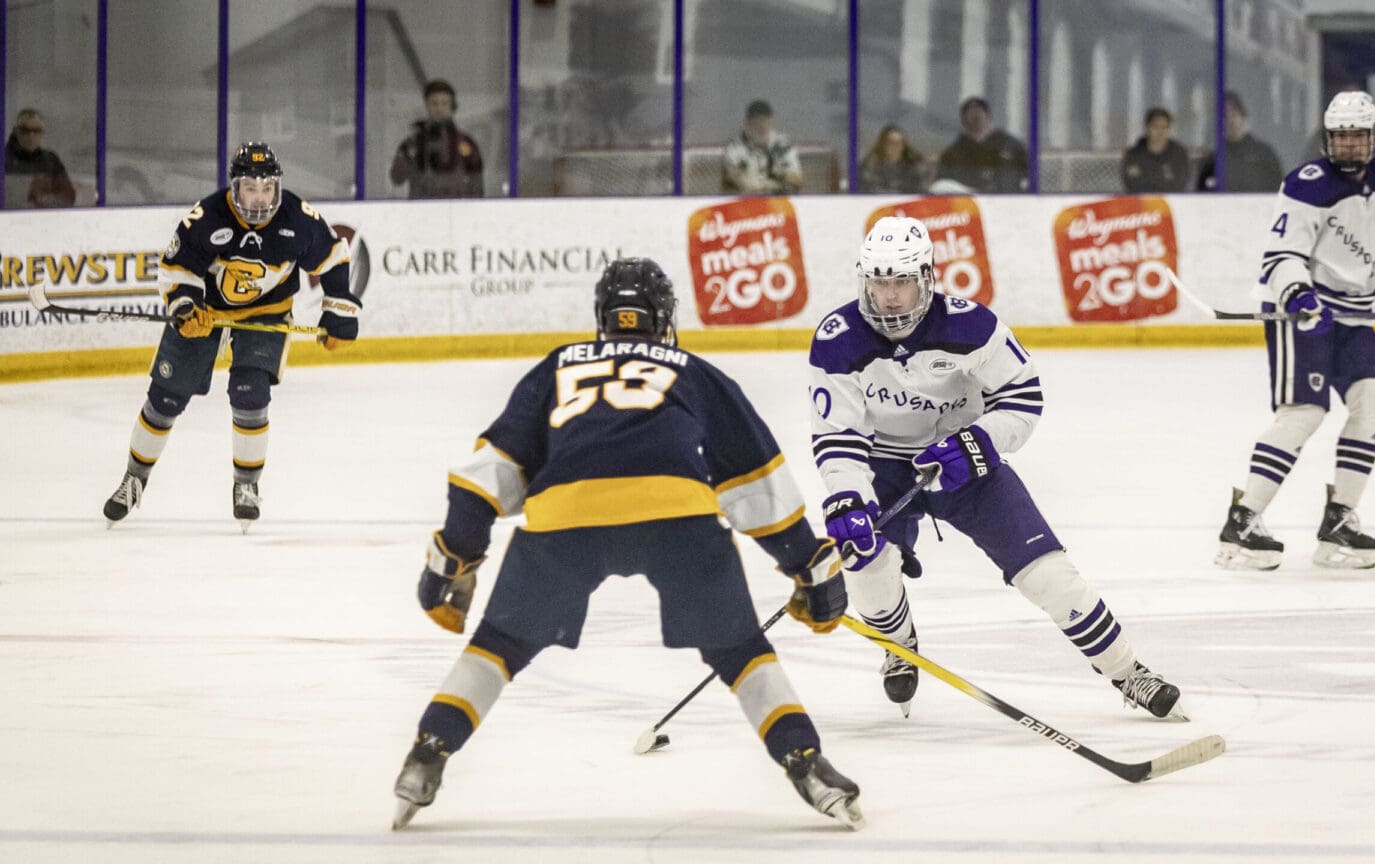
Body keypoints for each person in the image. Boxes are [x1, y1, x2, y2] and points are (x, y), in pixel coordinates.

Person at [391, 258, 861, 831]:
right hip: (677, 516)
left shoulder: (559, 365)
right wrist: (808, 566)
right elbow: (757, 485)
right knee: (740, 651)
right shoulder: (694, 372)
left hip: (567, 516)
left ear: (603, 316)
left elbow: (487, 476)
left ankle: (428, 750)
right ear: (663, 319)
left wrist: (453, 557)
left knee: (500, 645)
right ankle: (805, 761)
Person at [807, 216, 1186, 721]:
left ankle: (1127, 671)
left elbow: (1023, 398)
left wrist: (978, 442)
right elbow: (838, 436)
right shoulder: (837, 338)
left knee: (1049, 574)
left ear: (926, 278)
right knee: (866, 568)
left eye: (902, 281)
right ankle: (899, 647)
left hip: (964, 463)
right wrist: (848, 497)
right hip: (883, 466)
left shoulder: (972, 326)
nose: (890, 297)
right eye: (879, 282)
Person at [1216, 91, 1375, 571]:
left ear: (1373, 137)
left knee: (1374, 397)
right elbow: (1281, 256)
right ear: (1327, 138)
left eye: (1358, 136)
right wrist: (1299, 295)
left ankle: (1339, 519)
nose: (1349, 145)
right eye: (1341, 136)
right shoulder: (1307, 185)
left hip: (1353, 316)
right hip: (1304, 313)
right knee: (1304, 413)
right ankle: (1243, 521)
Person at [100, 142, 360, 530]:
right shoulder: (207, 217)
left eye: (267, 188)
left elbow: (334, 258)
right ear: (235, 187)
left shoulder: (297, 217)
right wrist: (186, 308)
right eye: (251, 188)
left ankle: (247, 485)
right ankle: (134, 478)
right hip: (208, 311)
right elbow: (177, 268)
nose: (260, 197)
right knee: (165, 398)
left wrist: (339, 310)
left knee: (250, 391)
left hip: (266, 313)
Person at [388, 79, 485, 199]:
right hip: (421, 208)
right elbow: (396, 178)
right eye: (434, 103)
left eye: (444, 103)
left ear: (452, 106)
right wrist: (410, 153)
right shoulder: (412, 143)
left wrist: (470, 207)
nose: (439, 109)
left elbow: (477, 185)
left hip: (457, 208)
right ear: (426, 106)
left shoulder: (466, 143)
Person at [933, 96, 1028, 193]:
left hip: (1008, 199)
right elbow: (942, 186)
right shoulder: (953, 153)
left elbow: (1029, 176)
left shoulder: (1010, 145)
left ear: (988, 115)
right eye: (971, 113)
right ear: (963, 120)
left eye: (979, 112)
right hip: (967, 200)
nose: (976, 116)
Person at [1197, 92, 1283, 192]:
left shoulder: (1263, 154)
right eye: (1224, 116)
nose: (1230, 121)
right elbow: (1202, 192)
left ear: (1243, 116)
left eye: (1233, 114)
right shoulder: (1214, 158)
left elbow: (1279, 188)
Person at [722, 99, 803, 195]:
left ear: (771, 121)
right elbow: (730, 186)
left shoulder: (784, 145)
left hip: (778, 200)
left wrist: (768, 190)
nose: (761, 126)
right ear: (747, 123)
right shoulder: (734, 149)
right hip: (746, 201)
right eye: (756, 121)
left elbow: (795, 181)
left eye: (765, 120)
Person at [4, 108, 75, 208]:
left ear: (42, 133)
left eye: (36, 131)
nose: (31, 136)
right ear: (16, 132)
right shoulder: (4, 158)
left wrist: (43, 198)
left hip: (43, 215)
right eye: (25, 130)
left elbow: (68, 197)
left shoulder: (51, 160)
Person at [1121, 107, 1190, 193]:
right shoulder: (1134, 155)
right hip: (1142, 199)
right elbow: (1132, 184)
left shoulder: (1179, 154)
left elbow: (1179, 184)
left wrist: (1147, 176)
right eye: (1155, 127)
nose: (1160, 132)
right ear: (1147, 128)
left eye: (1164, 127)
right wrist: (1162, 178)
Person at [858, 124, 927, 194]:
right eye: (891, 143)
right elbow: (867, 188)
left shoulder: (914, 164)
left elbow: (920, 189)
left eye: (899, 143)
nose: (896, 146)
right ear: (883, 144)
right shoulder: (870, 165)